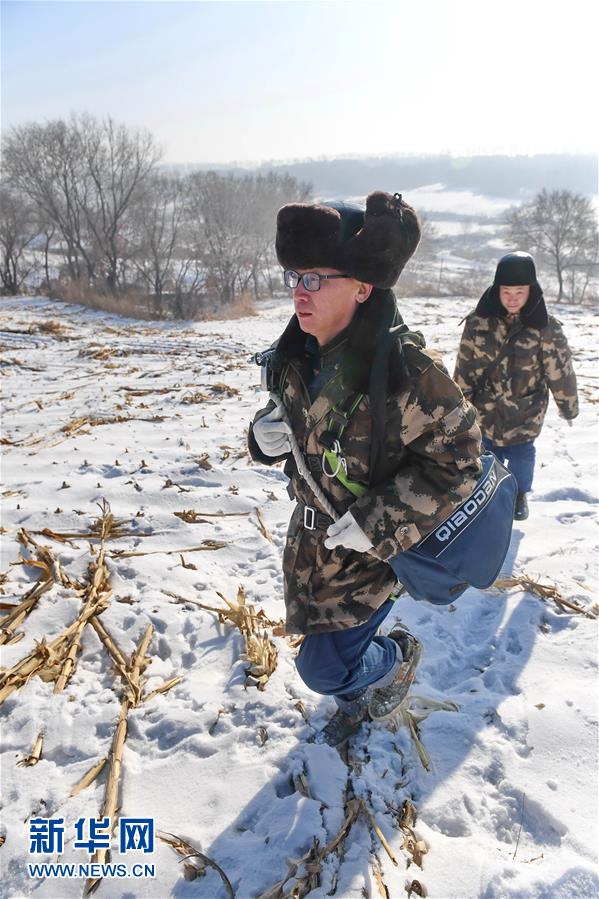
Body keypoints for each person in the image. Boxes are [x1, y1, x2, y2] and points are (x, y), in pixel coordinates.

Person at [248, 191, 482, 747]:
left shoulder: (406, 372)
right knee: (328, 660)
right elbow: (302, 435)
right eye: (294, 277)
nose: (300, 294)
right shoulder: (296, 355)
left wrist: (379, 520)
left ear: (361, 285)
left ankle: (394, 661)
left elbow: (461, 461)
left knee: (321, 670)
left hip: (373, 557)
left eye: (314, 279)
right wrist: (262, 438)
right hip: (309, 548)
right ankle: (360, 693)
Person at [453, 252, 579, 521]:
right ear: (496, 290)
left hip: (525, 412)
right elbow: (464, 367)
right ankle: (490, 497)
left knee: (522, 457)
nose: (512, 298)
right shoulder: (478, 322)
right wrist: (457, 409)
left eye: (519, 292)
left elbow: (561, 371)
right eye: (506, 291)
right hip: (485, 411)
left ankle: (520, 494)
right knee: (487, 457)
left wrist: (568, 406)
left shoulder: (545, 327)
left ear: (531, 291)